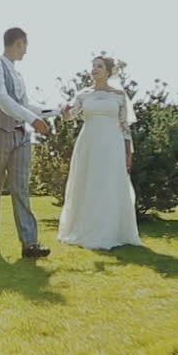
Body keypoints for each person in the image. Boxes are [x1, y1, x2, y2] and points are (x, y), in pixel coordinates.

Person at [56, 55, 143, 250]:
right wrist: (64, 108)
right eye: (93, 66)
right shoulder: (83, 95)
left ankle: (111, 230)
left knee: (109, 183)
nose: (94, 69)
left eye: (99, 66)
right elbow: (70, 116)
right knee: (88, 182)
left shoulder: (119, 95)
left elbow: (125, 127)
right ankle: (85, 228)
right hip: (88, 143)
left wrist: (128, 153)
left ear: (109, 71)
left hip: (112, 144)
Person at [0, 27, 53, 258]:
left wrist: (59, 111)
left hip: (20, 137)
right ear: (19, 43)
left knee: (21, 189)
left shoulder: (18, 75)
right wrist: (34, 120)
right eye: (26, 46)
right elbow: (3, 100)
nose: (26, 51)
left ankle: (30, 244)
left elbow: (27, 105)